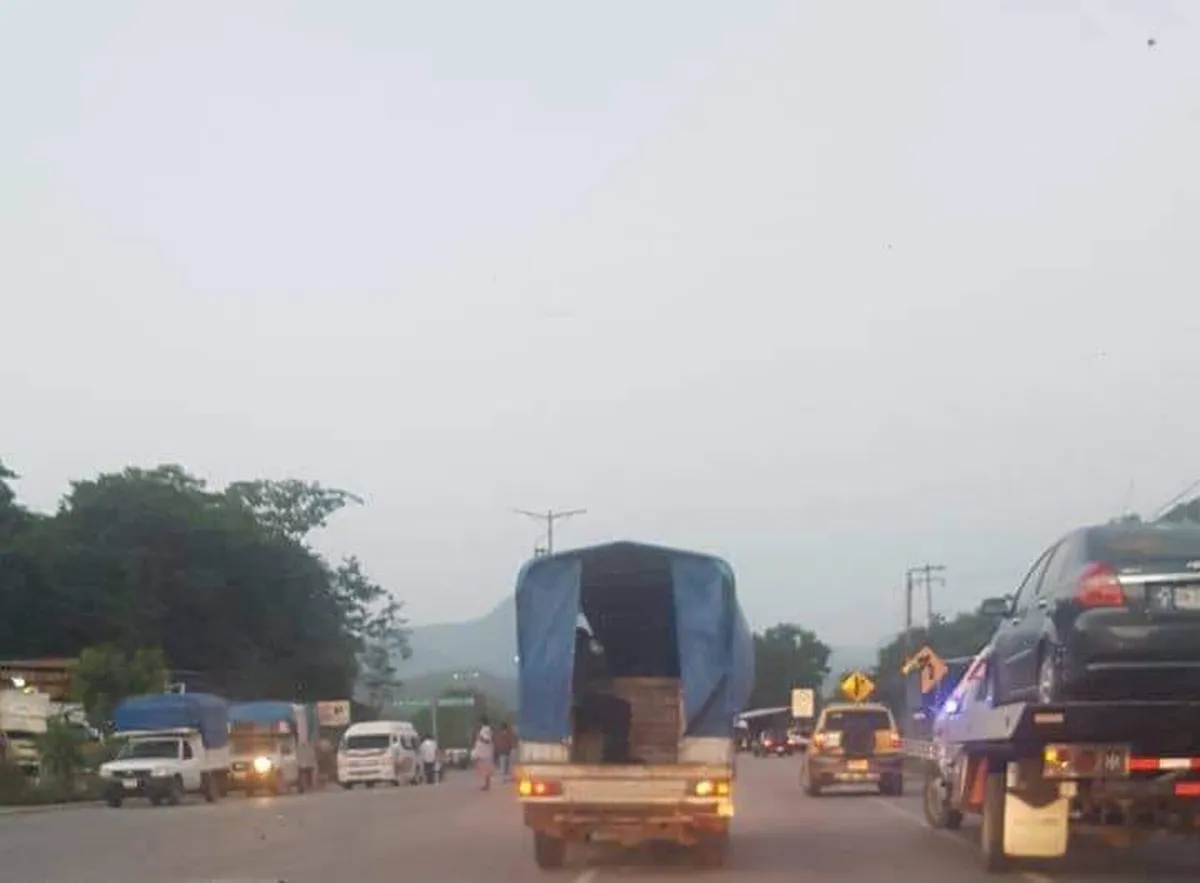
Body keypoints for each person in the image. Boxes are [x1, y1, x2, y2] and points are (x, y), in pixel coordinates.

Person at [572, 625, 634, 763]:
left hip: (578, 703)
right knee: (619, 710)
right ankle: (615, 757)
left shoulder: (585, 642)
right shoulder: (586, 643)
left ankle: (614, 757)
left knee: (618, 709)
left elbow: (600, 672)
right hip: (575, 703)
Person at [471, 715, 495, 791]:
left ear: (482, 722)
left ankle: (487, 785)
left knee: (486, 769)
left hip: (485, 753)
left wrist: (480, 738)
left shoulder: (486, 729)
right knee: (484, 768)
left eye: (479, 722)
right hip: (482, 752)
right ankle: (486, 784)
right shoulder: (483, 729)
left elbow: (487, 740)